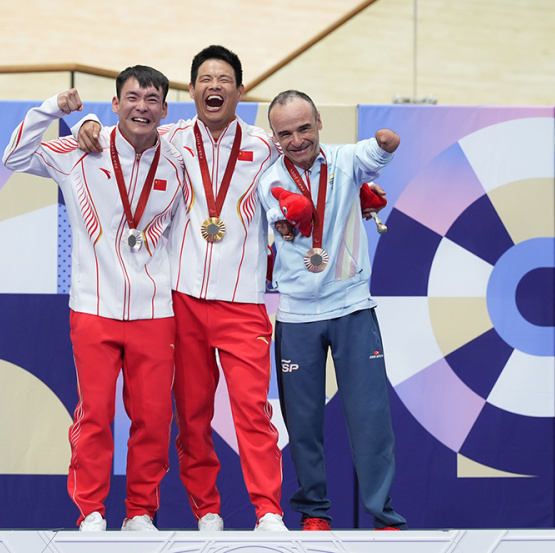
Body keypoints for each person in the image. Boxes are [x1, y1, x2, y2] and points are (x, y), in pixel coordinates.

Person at [74, 45, 287, 532]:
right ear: (190, 91)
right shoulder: (167, 140)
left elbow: (308, 163)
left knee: (254, 414)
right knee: (192, 418)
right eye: (205, 79)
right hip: (183, 301)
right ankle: (207, 511)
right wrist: (84, 123)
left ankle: (268, 511)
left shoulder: (265, 145)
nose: (214, 87)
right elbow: (121, 132)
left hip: (243, 302)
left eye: (224, 79)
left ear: (240, 90)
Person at [3, 65, 185, 532]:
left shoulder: (177, 161)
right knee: (95, 417)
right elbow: (14, 156)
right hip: (93, 309)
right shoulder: (81, 149)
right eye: (132, 97)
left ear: (165, 109)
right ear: (116, 104)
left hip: (155, 311)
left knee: (153, 420)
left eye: (151, 100)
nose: (141, 107)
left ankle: (140, 512)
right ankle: (92, 511)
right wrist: (53, 109)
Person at [257, 89, 408, 531]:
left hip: (351, 307)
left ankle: (384, 515)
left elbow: (377, 153)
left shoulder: (346, 160)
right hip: (297, 316)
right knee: (302, 425)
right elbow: (284, 213)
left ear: (319, 121)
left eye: (304, 128)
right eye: (286, 133)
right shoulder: (269, 180)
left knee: (371, 417)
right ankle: (314, 514)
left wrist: (385, 143)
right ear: (275, 136)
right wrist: (292, 212)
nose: (297, 140)